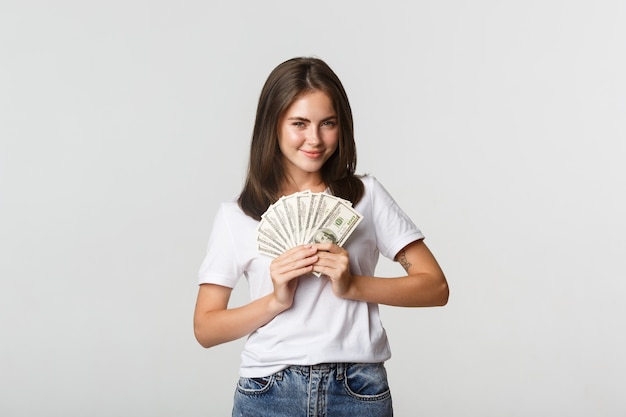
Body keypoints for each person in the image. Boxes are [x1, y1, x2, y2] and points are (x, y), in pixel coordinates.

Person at [194, 56, 449, 417]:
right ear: (274, 126)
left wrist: (351, 285)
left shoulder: (366, 197)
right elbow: (206, 328)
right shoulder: (236, 215)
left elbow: (435, 287)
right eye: (299, 123)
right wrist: (276, 300)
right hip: (268, 390)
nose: (314, 139)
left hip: (358, 388)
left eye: (327, 123)